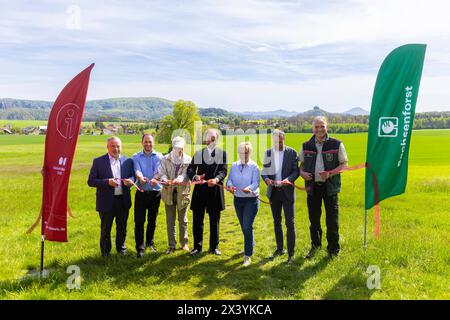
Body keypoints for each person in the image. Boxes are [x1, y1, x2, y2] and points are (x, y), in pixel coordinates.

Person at [298, 116, 348, 259]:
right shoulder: (305, 145)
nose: (319, 129)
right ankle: (315, 246)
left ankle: (333, 250)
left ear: (327, 127)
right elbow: (300, 165)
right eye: (316, 127)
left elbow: (344, 165)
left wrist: (330, 173)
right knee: (314, 220)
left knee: (332, 221)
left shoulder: (336, 144)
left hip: (330, 187)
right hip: (312, 188)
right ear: (312, 129)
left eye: (322, 126)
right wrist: (302, 173)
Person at [87, 136, 135, 257]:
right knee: (106, 228)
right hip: (106, 201)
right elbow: (91, 181)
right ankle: (105, 252)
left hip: (123, 200)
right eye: (113, 146)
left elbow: (132, 176)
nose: (116, 149)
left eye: (118, 146)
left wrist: (130, 180)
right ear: (107, 147)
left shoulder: (127, 161)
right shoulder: (98, 161)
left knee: (122, 227)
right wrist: (107, 182)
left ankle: (121, 249)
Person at [187, 128, 227, 256]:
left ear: (216, 139)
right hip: (200, 191)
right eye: (208, 138)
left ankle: (214, 247)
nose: (210, 141)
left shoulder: (222, 154)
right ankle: (197, 247)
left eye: (213, 138)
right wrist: (196, 177)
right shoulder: (199, 154)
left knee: (214, 220)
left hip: (214, 190)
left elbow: (223, 171)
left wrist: (216, 179)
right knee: (198, 220)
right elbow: (190, 169)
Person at [261, 129, 299, 264]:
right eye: (276, 140)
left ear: (284, 139)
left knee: (290, 222)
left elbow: (296, 171)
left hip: (287, 191)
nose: (278, 142)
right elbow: (264, 171)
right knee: (276, 221)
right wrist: (266, 180)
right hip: (274, 192)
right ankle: (279, 248)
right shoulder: (268, 153)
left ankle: (291, 254)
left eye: (281, 140)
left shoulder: (292, 152)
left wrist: (289, 179)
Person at [154, 136, 192, 254]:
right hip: (168, 193)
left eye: (180, 147)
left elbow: (186, 174)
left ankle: (184, 243)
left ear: (183, 147)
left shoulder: (188, 159)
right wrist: (165, 180)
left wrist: (179, 179)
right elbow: (161, 172)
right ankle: (171, 245)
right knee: (170, 220)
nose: (177, 149)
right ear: (172, 146)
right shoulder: (165, 158)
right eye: (175, 147)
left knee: (183, 220)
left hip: (183, 193)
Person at [226, 142, 260, 267]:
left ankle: (248, 255)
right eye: (241, 152)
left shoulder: (254, 166)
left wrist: (249, 188)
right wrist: (229, 186)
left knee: (247, 226)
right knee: (243, 226)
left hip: (251, 200)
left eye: (245, 152)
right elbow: (229, 179)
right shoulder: (234, 165)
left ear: (249, 152)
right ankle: (249, 245)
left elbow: (256, 183)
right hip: (238, 199)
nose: (243, 154)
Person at [132, 134, 163, 258]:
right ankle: (140, 247)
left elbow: (159, 171)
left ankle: (149, 243)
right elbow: (137, 170)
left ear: (153, 143)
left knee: (152, 220)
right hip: (141, 192)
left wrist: (155, 178)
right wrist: (140, 177)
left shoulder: (160, 156)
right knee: (139, 221)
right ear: (142, 143)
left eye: (150, 142)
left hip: (155, 192)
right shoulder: (136, 156)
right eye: (145, 142)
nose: (148, 144)